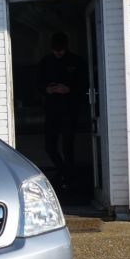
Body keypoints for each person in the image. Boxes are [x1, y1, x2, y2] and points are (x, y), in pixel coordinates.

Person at [38, 32, 86, 189]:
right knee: (49, 146)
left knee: (68, 146)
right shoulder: (46, 62)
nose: (58, 52)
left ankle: (68, 178)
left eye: (61, 49)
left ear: (66, 47)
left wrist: (69, 89)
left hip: (69, 110)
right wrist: (47, 89)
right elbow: (37, 84)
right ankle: (65, 173)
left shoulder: (76, 62)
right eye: (55, 50)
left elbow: (85, 84)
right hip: (51, 109)